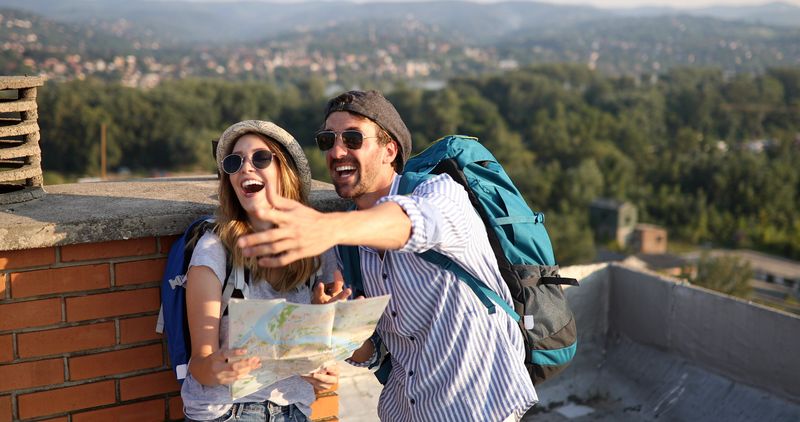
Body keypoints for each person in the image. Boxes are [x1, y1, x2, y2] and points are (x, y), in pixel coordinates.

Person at [237, 91, 537, 421]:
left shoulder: (441, 192)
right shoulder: (347, 251)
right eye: (327, 140)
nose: (337, 151)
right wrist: (338, 327)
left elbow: (413, 221)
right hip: (405, 410)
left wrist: (328, 226)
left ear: (389, 150)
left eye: (352, 138)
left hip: (479, 407)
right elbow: (374, 355)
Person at [181, 120, 340, 422]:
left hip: (295, 410)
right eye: (234, 162)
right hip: (229, 411)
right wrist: (219, 369)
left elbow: (327, 357)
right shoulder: (213, 248)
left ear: (285, 171)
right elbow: (200, 365)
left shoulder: (318, 248)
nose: (245, 168)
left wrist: (325, 375)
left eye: (261, 158)